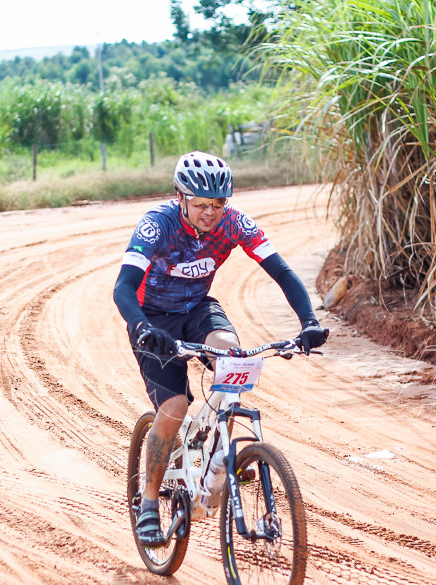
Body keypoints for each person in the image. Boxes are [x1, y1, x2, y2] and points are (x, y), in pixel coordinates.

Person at [112, 150, 328, 548]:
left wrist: (308, 322)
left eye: (217, 204)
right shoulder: (156, 226)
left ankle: (219, 458)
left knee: (231, 357)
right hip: (153, 318)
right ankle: (147, 503)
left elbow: (281, 271)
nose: (210, 213)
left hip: (197, 309)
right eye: (199, 205)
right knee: (174, 407)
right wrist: (142, 326)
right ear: (180, 197)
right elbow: (123, 287)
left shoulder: (233, 223)